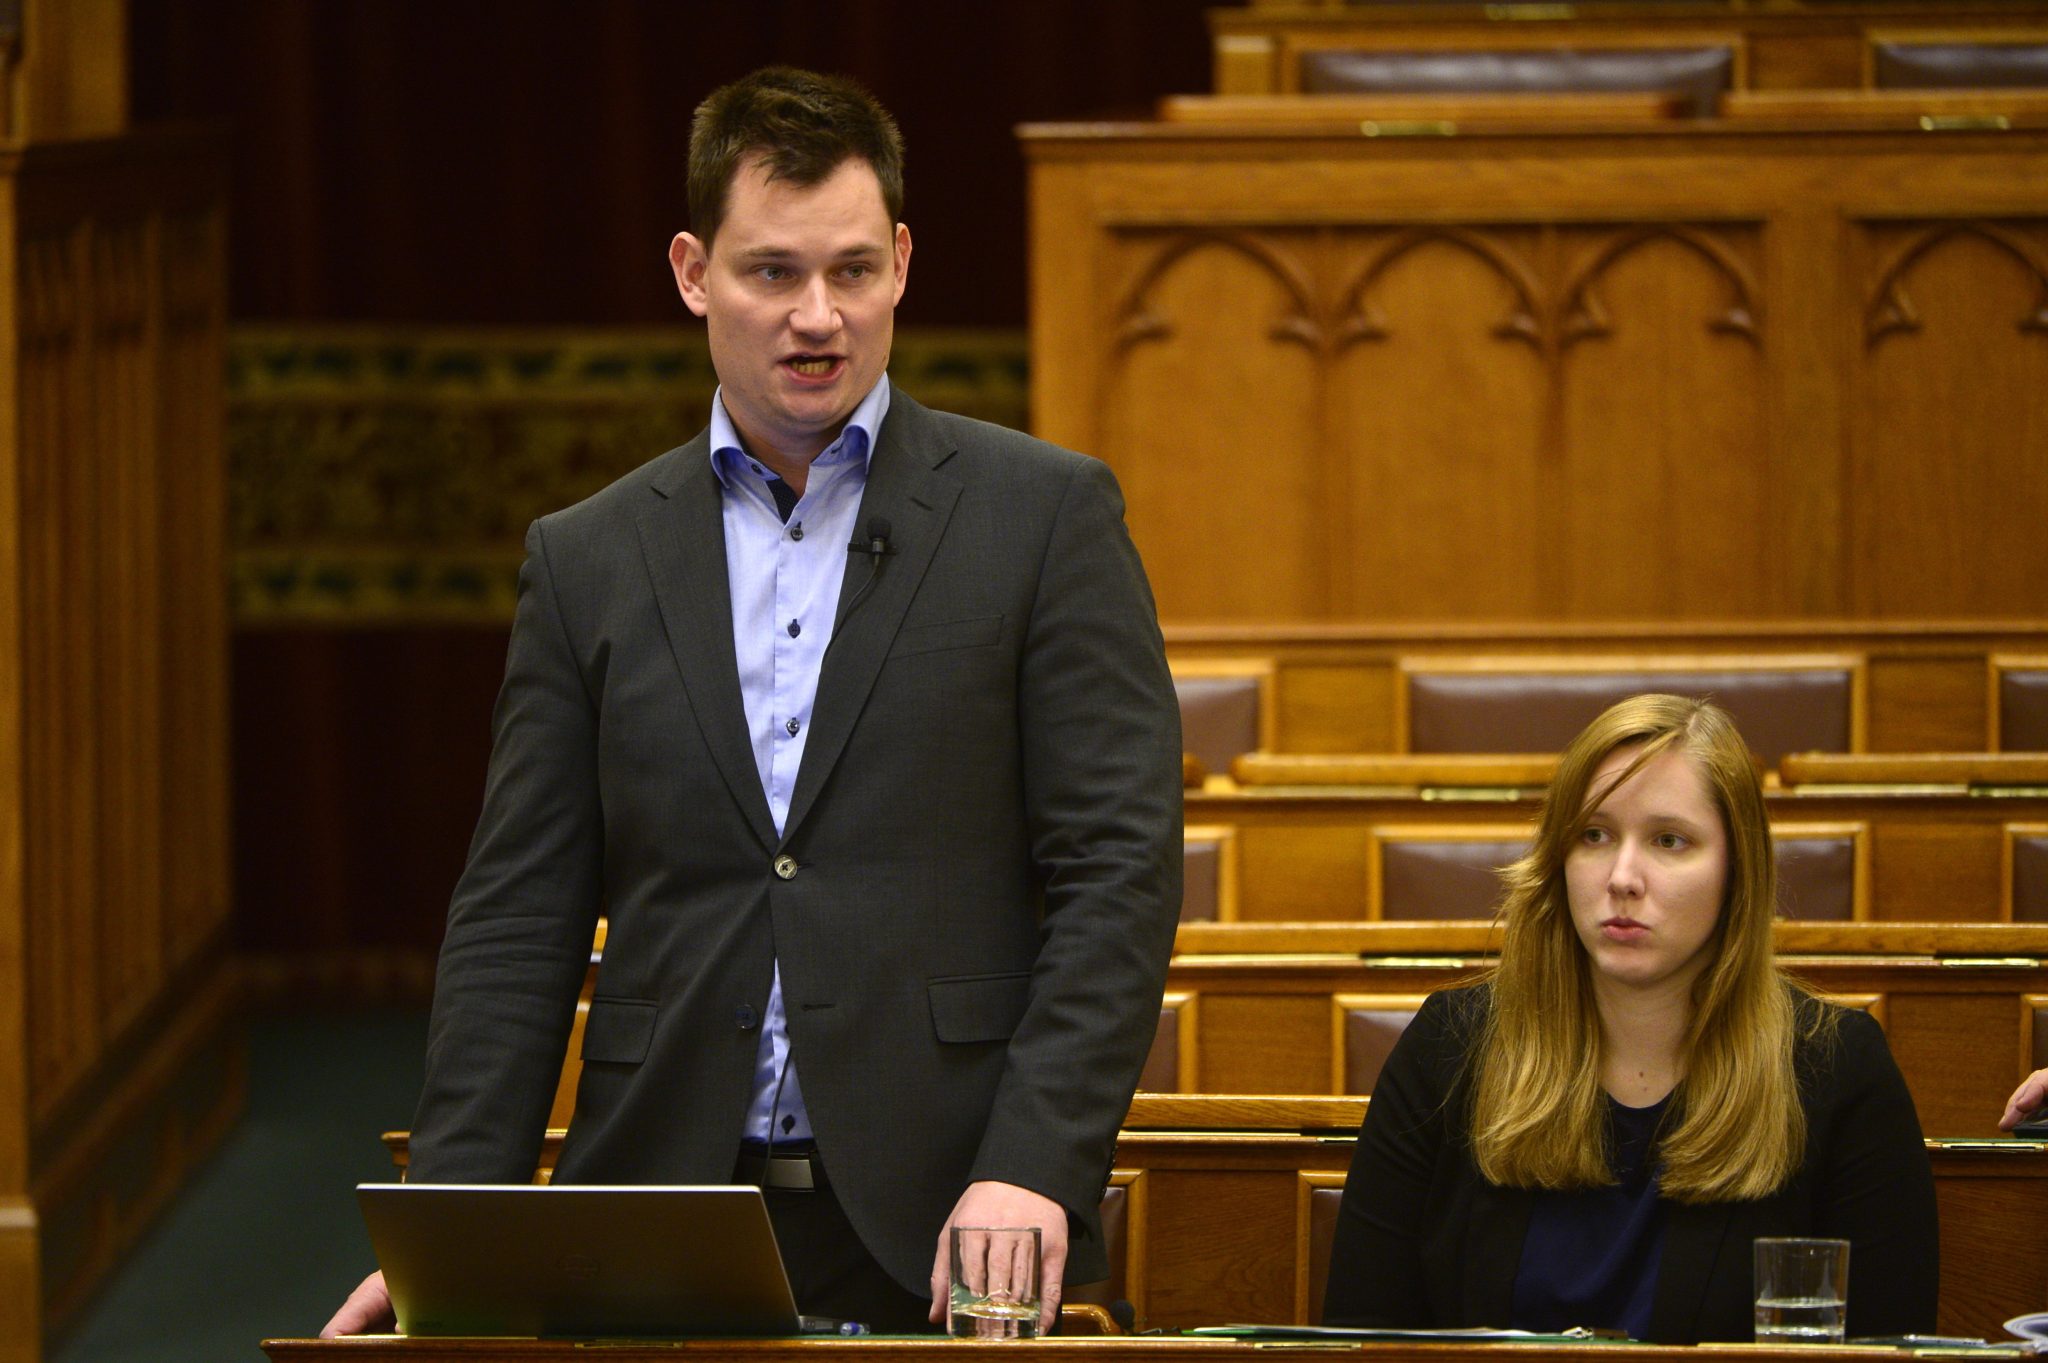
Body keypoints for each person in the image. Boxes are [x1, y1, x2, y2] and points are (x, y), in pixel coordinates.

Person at [323, 66, 1181, 1337]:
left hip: (949, 1207)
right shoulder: (587, 556)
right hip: (655, 1195)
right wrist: (447, 1228)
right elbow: (518, 914)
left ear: (900, 264)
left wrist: (1033, 1158)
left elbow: (1117, 870)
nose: (816, 317)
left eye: (850, 270)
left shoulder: (1043, 517)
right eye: (772, 272)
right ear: (692, 273)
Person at [1322, 694, 1937, 1343]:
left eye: (1669, 840)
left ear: (1737, 870)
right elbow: (1361, 1337)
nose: (1622, 877)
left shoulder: (1836, 1070)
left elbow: (1887, 1346)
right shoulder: (1450, 1048)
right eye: (1594, 835)